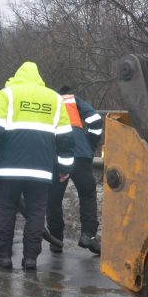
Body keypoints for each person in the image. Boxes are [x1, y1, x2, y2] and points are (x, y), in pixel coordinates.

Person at [0, 62, 74, 271]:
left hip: (9, 170)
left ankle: (3, 256)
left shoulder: (7, 95)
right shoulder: (54, 99)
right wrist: (65, 168)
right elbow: (65, 138)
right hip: (41, 169)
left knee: (6, 210)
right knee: (37, 213)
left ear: (17, 76)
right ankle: (31, 258)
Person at [46, 86, 103, 255]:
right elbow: (96, 121)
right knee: (87, 193)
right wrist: (90, 143)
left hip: (56, 153)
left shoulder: (48, 100)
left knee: (53, 198)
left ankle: (56, 241)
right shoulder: (73, 100)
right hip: (80, 153)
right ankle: (88, 236)